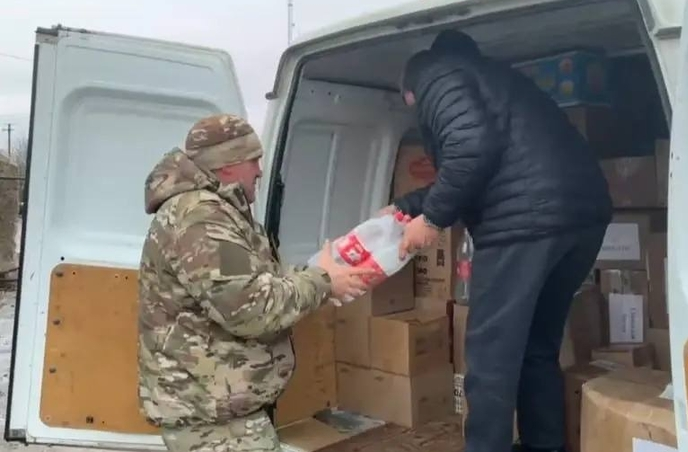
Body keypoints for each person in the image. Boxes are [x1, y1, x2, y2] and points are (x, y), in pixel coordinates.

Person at [387, 30, 613, 452]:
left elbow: (471, 148)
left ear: (409, 91)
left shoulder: (435, 76)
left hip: (524, 226)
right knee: (535, 348)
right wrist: (405, 207)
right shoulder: (497, 82)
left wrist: (431, 219)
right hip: (582, 218)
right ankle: (545, 446)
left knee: (491, 360)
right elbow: (481, 168)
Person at [137, 114, 374, 452]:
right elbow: (250, 308)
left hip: (220, 409)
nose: (260, 171)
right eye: (253, 160)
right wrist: (321, 282)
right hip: (210, 418)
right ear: (227, 165)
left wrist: (318, 272)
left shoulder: (215, 210)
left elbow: (256, 279)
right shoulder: (201, 218)